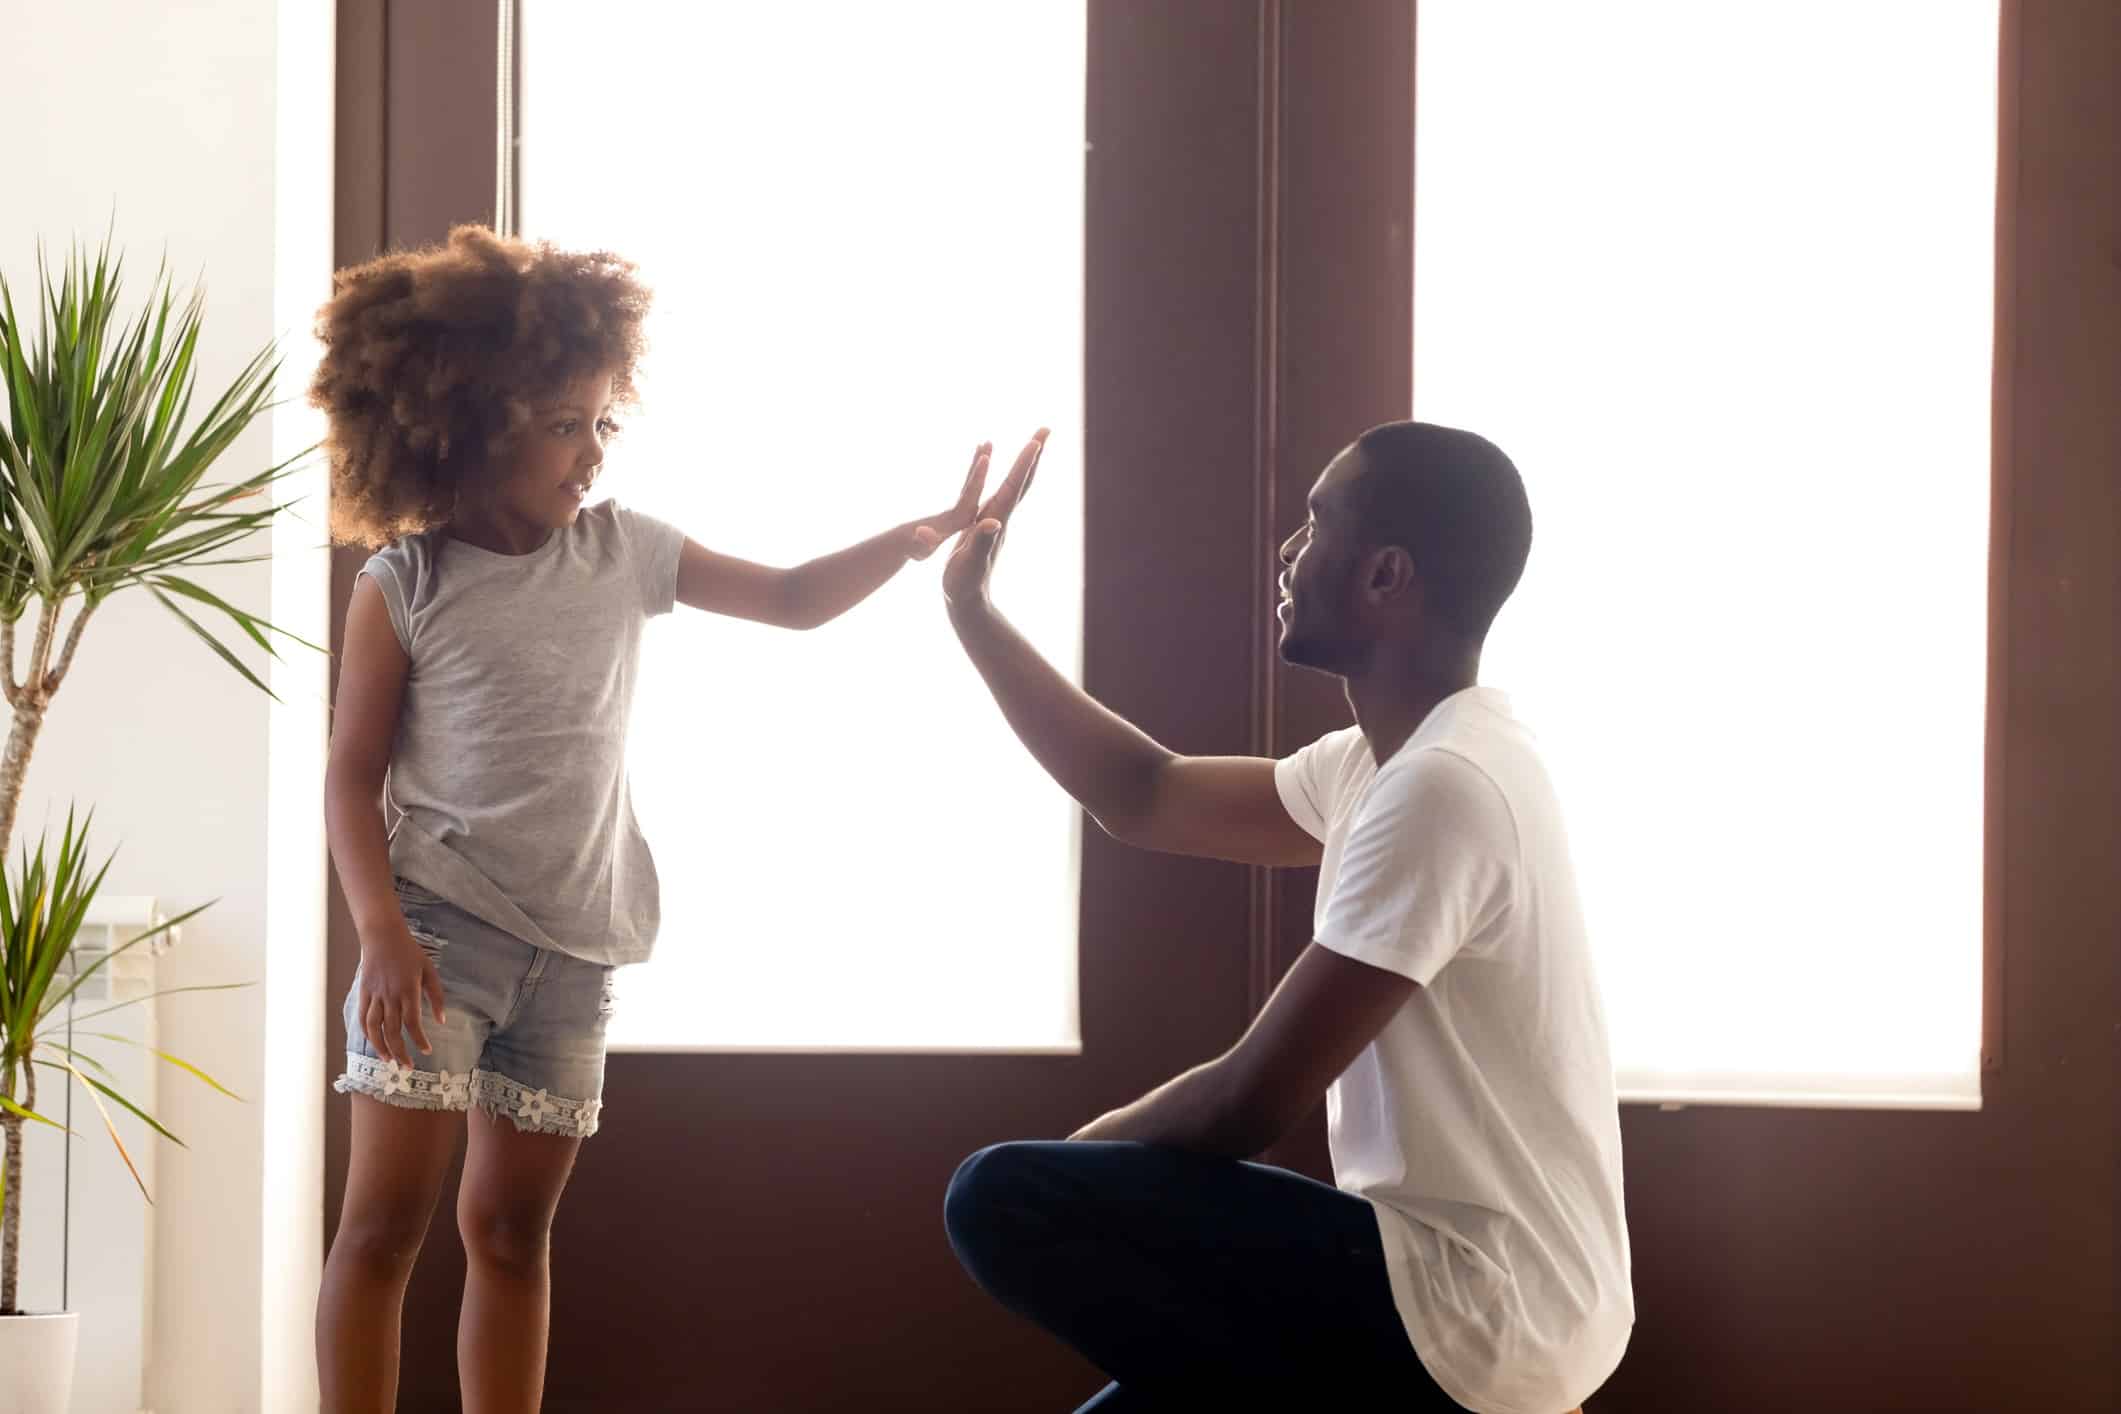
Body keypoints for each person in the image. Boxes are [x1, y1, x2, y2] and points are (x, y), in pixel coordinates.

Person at [308, 224, 991, 1413]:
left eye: (600, 421)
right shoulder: (404, 586)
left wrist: (916, 535)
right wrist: (380, 932)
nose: (592, 450)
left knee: (512, 1235)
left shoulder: (625, 552)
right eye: (564, 424)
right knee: (382, 1232)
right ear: (470, 421)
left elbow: (788, 600)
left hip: (576, 946)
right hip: (436, 939)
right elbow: (348, 777)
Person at [940, 425, 1632, 1412]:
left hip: (1479, 1302)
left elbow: (1249, 1100)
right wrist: (972, 611)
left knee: (1000, 1197)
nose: (1285, 551)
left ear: (1386, 574)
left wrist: (1087, 1151)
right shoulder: (1381, 763)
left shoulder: (1443, 785)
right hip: (1454, 1286)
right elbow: (1144, 792)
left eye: (1315, 523)